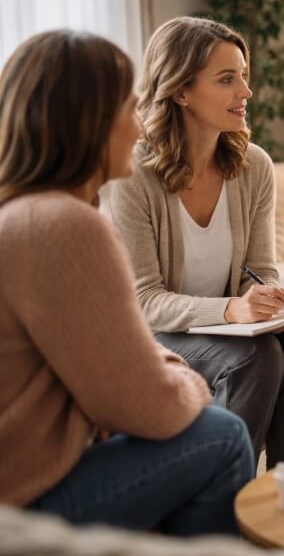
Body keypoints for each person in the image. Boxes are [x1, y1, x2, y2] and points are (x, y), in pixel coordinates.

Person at [0, 30, 253, 535]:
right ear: (87, 123)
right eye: (129, 110)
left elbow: (104, 363)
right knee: (222, 434)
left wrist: (160, 371)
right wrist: (189, 381)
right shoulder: (66, 226)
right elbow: (146, 407)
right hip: (21, 498)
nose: (140, 129)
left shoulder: (22, 213)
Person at [105, 17, 284, 465]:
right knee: (256, 358)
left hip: (230, 327)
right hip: (153, 333)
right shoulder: (133, 174)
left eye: (243, 77)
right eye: (227, 79)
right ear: (181, 90)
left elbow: (261, 269)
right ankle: (222, 493)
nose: (245, 92)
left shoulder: (254, 166)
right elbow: (144, 302)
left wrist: (266, 299)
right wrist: (230, 310)